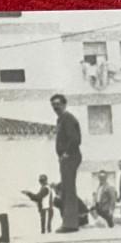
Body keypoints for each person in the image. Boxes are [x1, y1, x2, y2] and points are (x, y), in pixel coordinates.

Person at [51, 94, 82, 231]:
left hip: (70, 158)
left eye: (58, 104)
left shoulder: (68, 119)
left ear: (64, 104)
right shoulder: (61, 119)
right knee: (67, 189)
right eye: (53, 105)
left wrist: (66, 153)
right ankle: (72, 221)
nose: (55, 107)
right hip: (66, 159)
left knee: (69, 190)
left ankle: (70, 224)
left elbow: (75, 139)